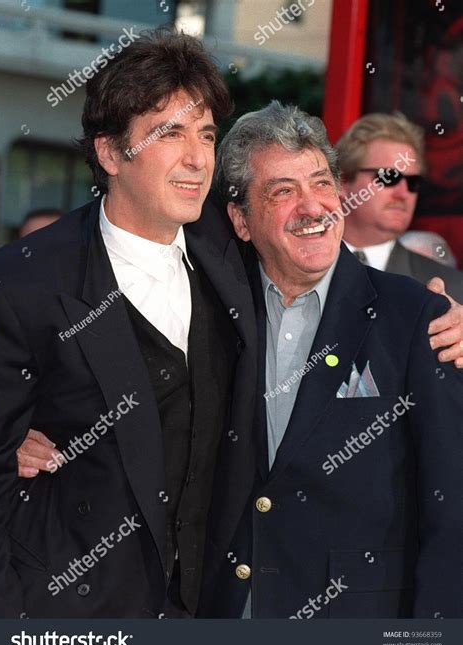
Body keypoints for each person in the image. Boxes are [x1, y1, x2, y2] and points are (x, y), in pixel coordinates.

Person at [0, 29, 257, 618]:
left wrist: (436, 315)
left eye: (206, 135)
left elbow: (327, 280)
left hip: (203, 609)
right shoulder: (25, 281)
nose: (198, 158)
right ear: (110, 153)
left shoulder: (233, 251)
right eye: (169, 134)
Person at [196, 101, 463, 618]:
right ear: (241, 220)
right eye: (282, 191)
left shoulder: (418, 317)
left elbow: (451, 507)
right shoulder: (208, 309)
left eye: (320, 184)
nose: (312, 207)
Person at [336, 112, 463, 301]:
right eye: (389, 177)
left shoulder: (453, 290)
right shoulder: (291, 269)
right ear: (343, 182)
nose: (403, 194)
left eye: (413, 182)